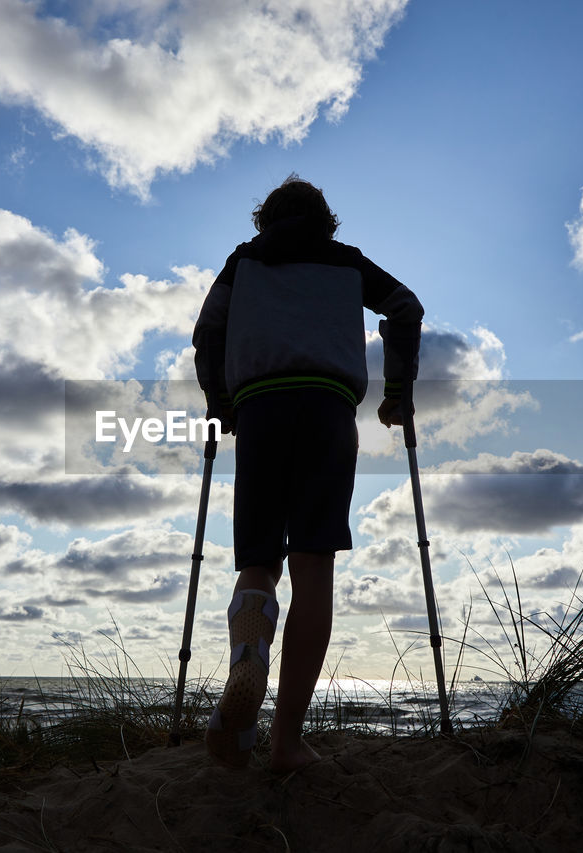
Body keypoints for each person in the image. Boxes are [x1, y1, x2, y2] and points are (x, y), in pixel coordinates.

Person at [192, 175, 423, 772]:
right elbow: (405, 307)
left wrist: (221, 401)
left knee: (259, 561)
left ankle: (249, 652)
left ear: (263, 219)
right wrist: (396, 391)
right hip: (326, 408)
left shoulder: (242, 263)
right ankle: (285, 743)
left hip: (262, 407)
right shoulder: (347, 263)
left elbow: (208, 328)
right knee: (314, 565)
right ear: (327, 221)